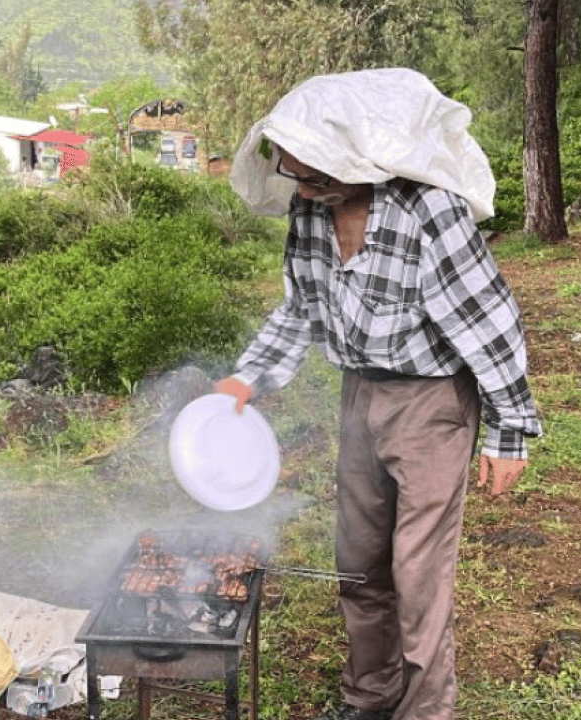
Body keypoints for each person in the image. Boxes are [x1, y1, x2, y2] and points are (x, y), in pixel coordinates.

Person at [214, 69, 542, 720]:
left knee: (417, 578)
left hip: (432, 405)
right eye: (296, 178)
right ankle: (369, 696)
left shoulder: (429, 212)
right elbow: (300, 310)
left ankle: (424, 710)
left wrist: (509, 431)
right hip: (361, 396)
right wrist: (245, 377)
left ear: (356, 163)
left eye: (315, 178)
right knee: (358, 564)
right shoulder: (311, 211)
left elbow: (490, 322)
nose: (302, 191)